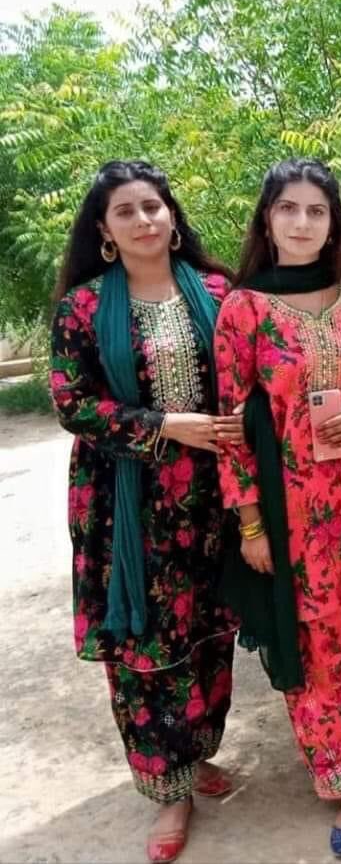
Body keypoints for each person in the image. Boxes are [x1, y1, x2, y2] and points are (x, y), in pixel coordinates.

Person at [49, 160, 243, 864]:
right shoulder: (83, 308)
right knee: (145, 650)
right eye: (126, 211)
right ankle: (168, 790)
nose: (144, 221)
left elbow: (247, 376)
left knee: (210, 631)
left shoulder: (218, 292)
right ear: (103, 229)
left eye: (153, 207)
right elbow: (73, 402)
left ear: (172, 215)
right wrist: (165, 424)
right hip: (125, 505)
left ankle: (195, 754)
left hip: (211, 497)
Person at [214, 159, 341, 858]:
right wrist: (251, 523)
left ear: (333, 224)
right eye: (288, 209)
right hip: (292, 516)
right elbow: (231, 425)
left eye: (315, 211)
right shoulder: (245, 308)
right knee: (314, 649)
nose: (301, 222)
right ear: (267, 220)